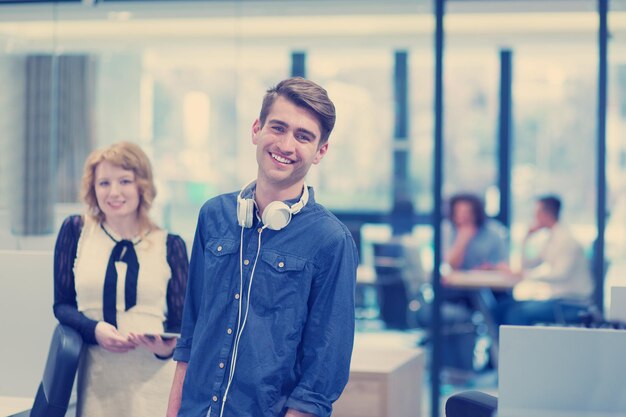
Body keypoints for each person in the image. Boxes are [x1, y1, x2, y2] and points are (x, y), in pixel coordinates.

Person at [166, 77, 358, 417]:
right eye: (278, 128)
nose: (286, 145)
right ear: (257, 129)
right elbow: (190, 336)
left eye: (303, 136)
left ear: (320, 151)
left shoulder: (331, 240)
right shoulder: (213, 215)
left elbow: (321, 377)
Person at [53, 141, 189, 417]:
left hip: (154, 382)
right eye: (104, 183)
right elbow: (62, 305)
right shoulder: (75, 231)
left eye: (124, 181)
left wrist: (165, 347)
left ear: (142, 185)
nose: (114, 192)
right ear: (93, 188)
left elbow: (182, 323)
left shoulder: (171, 245)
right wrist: (94, 330)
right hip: (98, 379)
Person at [499, 195, 594, 325]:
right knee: (503, 306)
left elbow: (560, 274)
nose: (534, 217)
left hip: (570, 302)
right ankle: (501, 344)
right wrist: (526, 239)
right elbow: (528, 264)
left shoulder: (565, 240)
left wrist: (526, 275)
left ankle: (519, 346)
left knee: (516, 313)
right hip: (556, 299)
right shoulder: (550, 238)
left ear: (545, 214)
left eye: (536, 213)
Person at [444, 193, 509, 272]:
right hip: (459, 282)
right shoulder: (448, 231)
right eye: (458, 212)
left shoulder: (493, 231)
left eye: (467, 212)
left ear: (476, 213)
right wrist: (462, 240)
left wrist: (491, 267)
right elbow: (451, 265)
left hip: (488, 281)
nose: (462, 216)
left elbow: (503, 263)